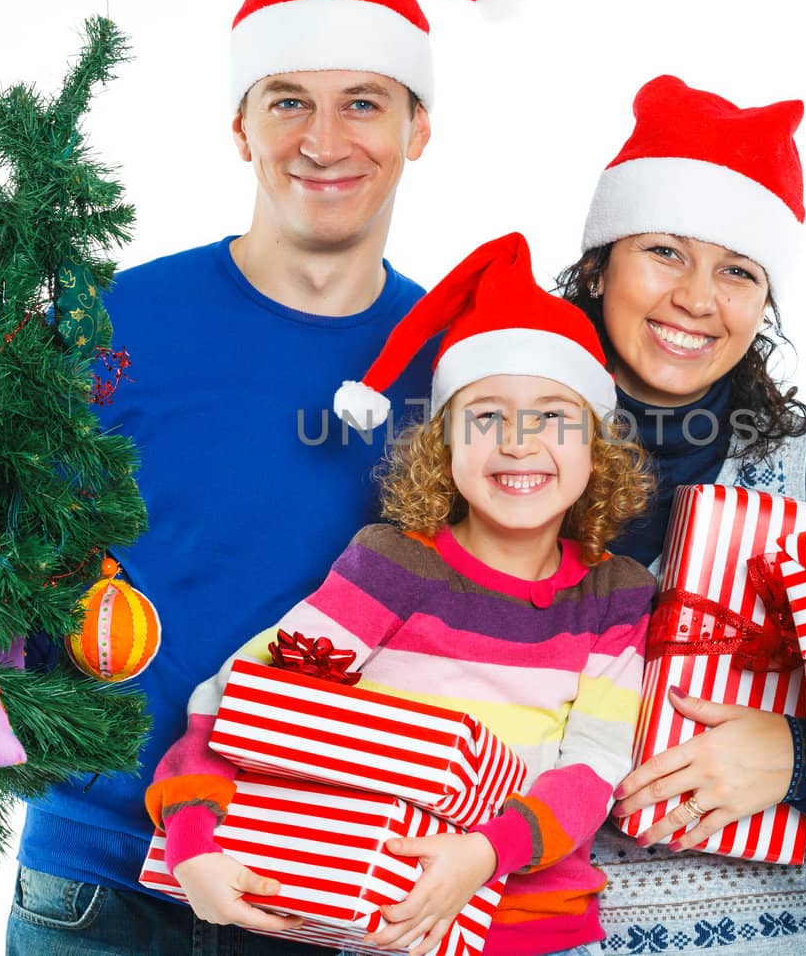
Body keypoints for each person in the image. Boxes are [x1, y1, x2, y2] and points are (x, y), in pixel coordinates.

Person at [0, 0, 510, 954]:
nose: (324, 142)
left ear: (420, 126)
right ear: (239, 124)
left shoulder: (462, 369)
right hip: (98, 883)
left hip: (336, 885)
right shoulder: (111, 325)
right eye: (287, 103)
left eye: (364, 103)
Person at [146, 232, 658, 956]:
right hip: (377, 921)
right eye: (485, 416)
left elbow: (594, 764)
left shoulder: (615, 594)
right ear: (444, 445)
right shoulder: (391, 567)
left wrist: (484, 853)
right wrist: (192, 839)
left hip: (537, 932)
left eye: (552, 416)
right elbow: (243, 696)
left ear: (596, 448)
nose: (517, 441)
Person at [557, 75, 806, 953]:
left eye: (737, 269)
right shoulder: (501, 457)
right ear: (598, 263)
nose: (699, 299)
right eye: (665, 251)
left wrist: (796, 757)